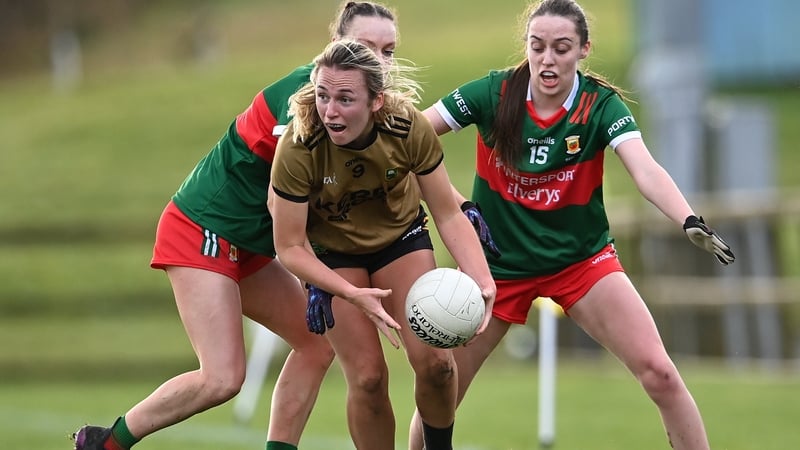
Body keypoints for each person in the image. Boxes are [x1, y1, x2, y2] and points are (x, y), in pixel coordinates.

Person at [70, 3, 403, 450]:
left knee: (316, 345)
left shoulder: (366, 107)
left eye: (388, 51)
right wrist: (324, 275)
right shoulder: (307, 100)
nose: (378, 61)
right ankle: (105, 443)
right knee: (223, 377)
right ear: (334, 46)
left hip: (250, 243)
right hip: (203, 230)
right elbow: (287, 198)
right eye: (365, 47)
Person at [408, 0, 736, 449]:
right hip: (496, 269)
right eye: (537, 46)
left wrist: (688, 219)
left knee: (660, 373)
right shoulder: (493, 92)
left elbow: (645, 168)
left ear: (584, 49)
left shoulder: (600, 105)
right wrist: (454, 200)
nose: (547, 59)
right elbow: (413, 138)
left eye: (561, 48)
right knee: (440, 387)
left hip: (581, 262)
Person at [268, 39, 497, 450]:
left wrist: (482, 281)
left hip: (400, 240)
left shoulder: (408, 127)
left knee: (437, 364)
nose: (330, 110)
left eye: (345, 98)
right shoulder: (299, 145)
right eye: (322, 95)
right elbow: (289, 247)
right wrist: (350, 293)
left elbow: (446, 211)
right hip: (334, 257)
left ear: (376, 101)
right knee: (369, 378)